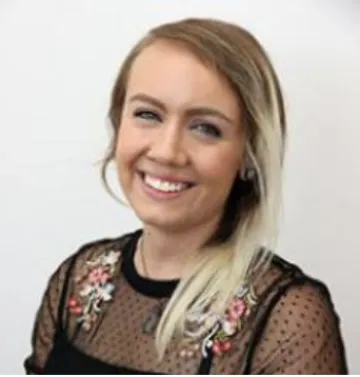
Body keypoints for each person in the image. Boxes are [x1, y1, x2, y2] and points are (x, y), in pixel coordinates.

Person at [24, 17, 348, 374]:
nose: (166, 152)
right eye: (148, 114)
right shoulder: (78, 281)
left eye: (205, 128)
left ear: (249, 154)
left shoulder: (285, 321)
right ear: (119, 124)